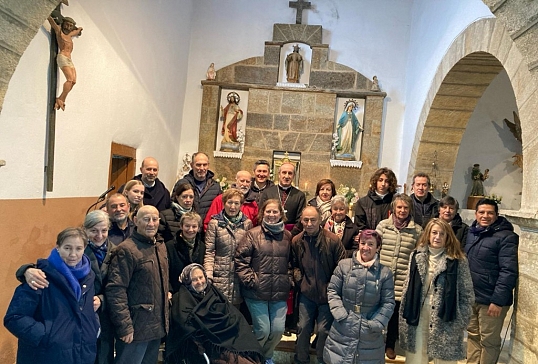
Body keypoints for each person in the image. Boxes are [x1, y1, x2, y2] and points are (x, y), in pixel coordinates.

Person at [4, 227, 99, 364]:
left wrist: (94, 328)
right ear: (58, 247)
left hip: (82, 353)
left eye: (78, 248)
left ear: (85, 248)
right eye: (67, 248)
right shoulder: (40, 276)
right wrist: (46, 336)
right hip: (46, 355)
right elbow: (14, 317)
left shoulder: (88, 277)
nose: (73, 254)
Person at [399, 219, 474, 363]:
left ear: (448, 237)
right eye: (434, 233)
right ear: (428, 234)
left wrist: (460, 321)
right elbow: (406, 288)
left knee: (444, 358)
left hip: (446, 317)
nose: (437, 237)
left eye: (442, 234)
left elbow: (467, 295)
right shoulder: (416, 256)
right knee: (416, 358)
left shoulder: (458, 260)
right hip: (418, 314)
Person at [106, 205, 169, 364]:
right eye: (146, 219)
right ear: (135, 221)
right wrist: (125, 326)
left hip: (156, 325)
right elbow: (116, 290)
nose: (151, 223)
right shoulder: (126, 249)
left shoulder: (160, 245)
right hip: (135, 326)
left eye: (155, 219)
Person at [165, 264, 264, 364]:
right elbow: (184, 326)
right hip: (208, 344)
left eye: (201, 277)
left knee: (252, 355)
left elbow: (232, 315)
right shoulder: (181, 299)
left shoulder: (213, 292)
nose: (199, 282)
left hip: (228, 337)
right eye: (194, 280)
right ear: (187, 281)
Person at [323, 230, 395, 363]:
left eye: (371, 244)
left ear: (378, 247)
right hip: (343, 326)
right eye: (363, 243)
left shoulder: (385, 273)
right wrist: (341, 315)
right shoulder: (344, 266)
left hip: (370, 330)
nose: (365, 248)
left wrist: (376, 323)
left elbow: (388, 302)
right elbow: (332, 290)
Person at [235, 199, 292, 364]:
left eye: (275, 212)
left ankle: (265, 356)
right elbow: (240, 259)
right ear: (262, 213)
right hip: (256, 292)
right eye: (268, 211)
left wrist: (289, 279)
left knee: (278, 330)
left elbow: (291, 262)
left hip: (279, 292)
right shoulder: (253, 234)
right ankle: (252, 357)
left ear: (281, 214)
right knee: (263, 330)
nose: (272, 215)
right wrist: (252, 281)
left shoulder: (287, 236)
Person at [465, 199, 518, 364]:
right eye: (481, 212)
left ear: (496, 215)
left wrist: (497, 300)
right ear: (476, 214)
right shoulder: (472, 232)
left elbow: (508, 271)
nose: (485, 216)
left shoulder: (506, 237)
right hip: (472, 295)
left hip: (490, 300)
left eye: (490, 213)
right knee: (473, 335)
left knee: (489, 341)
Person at [291, 206, 346, 364]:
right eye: (305, 220)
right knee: (302, 328)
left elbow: (342, 267)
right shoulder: (297, 241)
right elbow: (293, 264)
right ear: (301, 220)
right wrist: (299, 280)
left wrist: (333, 287)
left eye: (313, 220)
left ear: (320, 219)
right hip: (306, 294)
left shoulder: (333, 240)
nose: (309, 223)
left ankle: (323, 361)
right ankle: (301, 361)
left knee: (323, 331)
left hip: (327, 294)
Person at [376, 193, 423, 360]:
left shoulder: (416, 230)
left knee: (395, 315)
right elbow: (375, 249)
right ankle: (375, 342)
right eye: (399, 207)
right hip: (382, 276)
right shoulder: (383, 226)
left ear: (410, 209)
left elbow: (419, 255)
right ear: (393, 209)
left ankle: (390, 344)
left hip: (403, 278)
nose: (402, 210)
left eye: (405, 207)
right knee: (377, 311)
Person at [204, 188, 253, 306]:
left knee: (236, 315)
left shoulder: (247, 224)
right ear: (224, 203)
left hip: (238, 277)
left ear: (241, 205)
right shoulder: (214, 223)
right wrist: (209, 275)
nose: (233, 206)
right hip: (219, 276)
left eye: (236, 203)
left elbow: (250, 252)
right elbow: (209, 252)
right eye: (230, 202)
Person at [47, 16, 83, 111]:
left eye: (70, 26)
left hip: (69, 59)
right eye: (67, 24)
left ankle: (61, 99)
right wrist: (48, 15)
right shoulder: (59, 31)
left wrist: (78, 29)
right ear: (63, 24)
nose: (68, 27)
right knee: (70, 80)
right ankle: (61, 99)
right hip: (62, 57)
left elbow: (79, 29)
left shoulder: (70, 35)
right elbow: (52, 22)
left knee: (74, 81)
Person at [173, 152, 222, 222]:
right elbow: (173, 206)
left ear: (208, 165)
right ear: (192, 165)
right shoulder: (182, 184)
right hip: (187, 228)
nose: (202, 168)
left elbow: (219, 209)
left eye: (205, 165)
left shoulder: (215, 187)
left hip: (206, 230)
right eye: (198, 165)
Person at [165, 211, 205, 294]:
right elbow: (165, 272)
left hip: (196, 291)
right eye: (187, 226)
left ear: (199, 228)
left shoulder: (202, 246)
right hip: (176, 291)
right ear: (181, 226)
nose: (190, 230)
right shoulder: (169, 246)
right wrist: (169, 290)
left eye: (194, 226)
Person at [259, 162, 306, 228]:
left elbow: (300, 219)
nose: (287, 176)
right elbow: (261, 214)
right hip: (269, 230)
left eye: (290, 173)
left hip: (291, 233)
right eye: (284, 172)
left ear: (294, 176)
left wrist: (291, 234)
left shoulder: (300, 195)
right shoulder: (267, 192)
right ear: (279, 174)